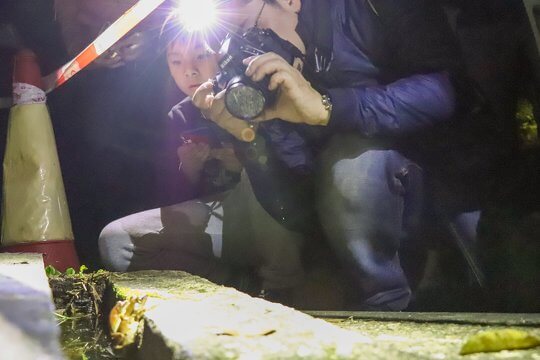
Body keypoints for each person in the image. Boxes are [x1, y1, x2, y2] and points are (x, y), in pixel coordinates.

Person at [193, 0, 472, 310]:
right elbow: (296, 210)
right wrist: (250, 136)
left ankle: (391, 305)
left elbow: (444, 91)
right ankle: (384, 313)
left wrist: (328, 107)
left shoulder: (362, 9)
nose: (247, 58)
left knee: (353, 165)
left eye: (250, 33)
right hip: (355, 227)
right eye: (230, 48)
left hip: (444, 170)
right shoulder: (273, 82)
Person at [98, 33, 306, 297]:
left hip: (274, 215)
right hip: (218, 217)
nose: (190, 70)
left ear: (222, 54)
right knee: (115, 241)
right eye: (176, 62)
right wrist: (187, 172)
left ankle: (285, 289)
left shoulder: (252, 91)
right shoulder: (180, 115)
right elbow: (168, 199)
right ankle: (240, 287)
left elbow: (297, 164)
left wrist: (246, 157)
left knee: (256, 178)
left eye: (201, 56)